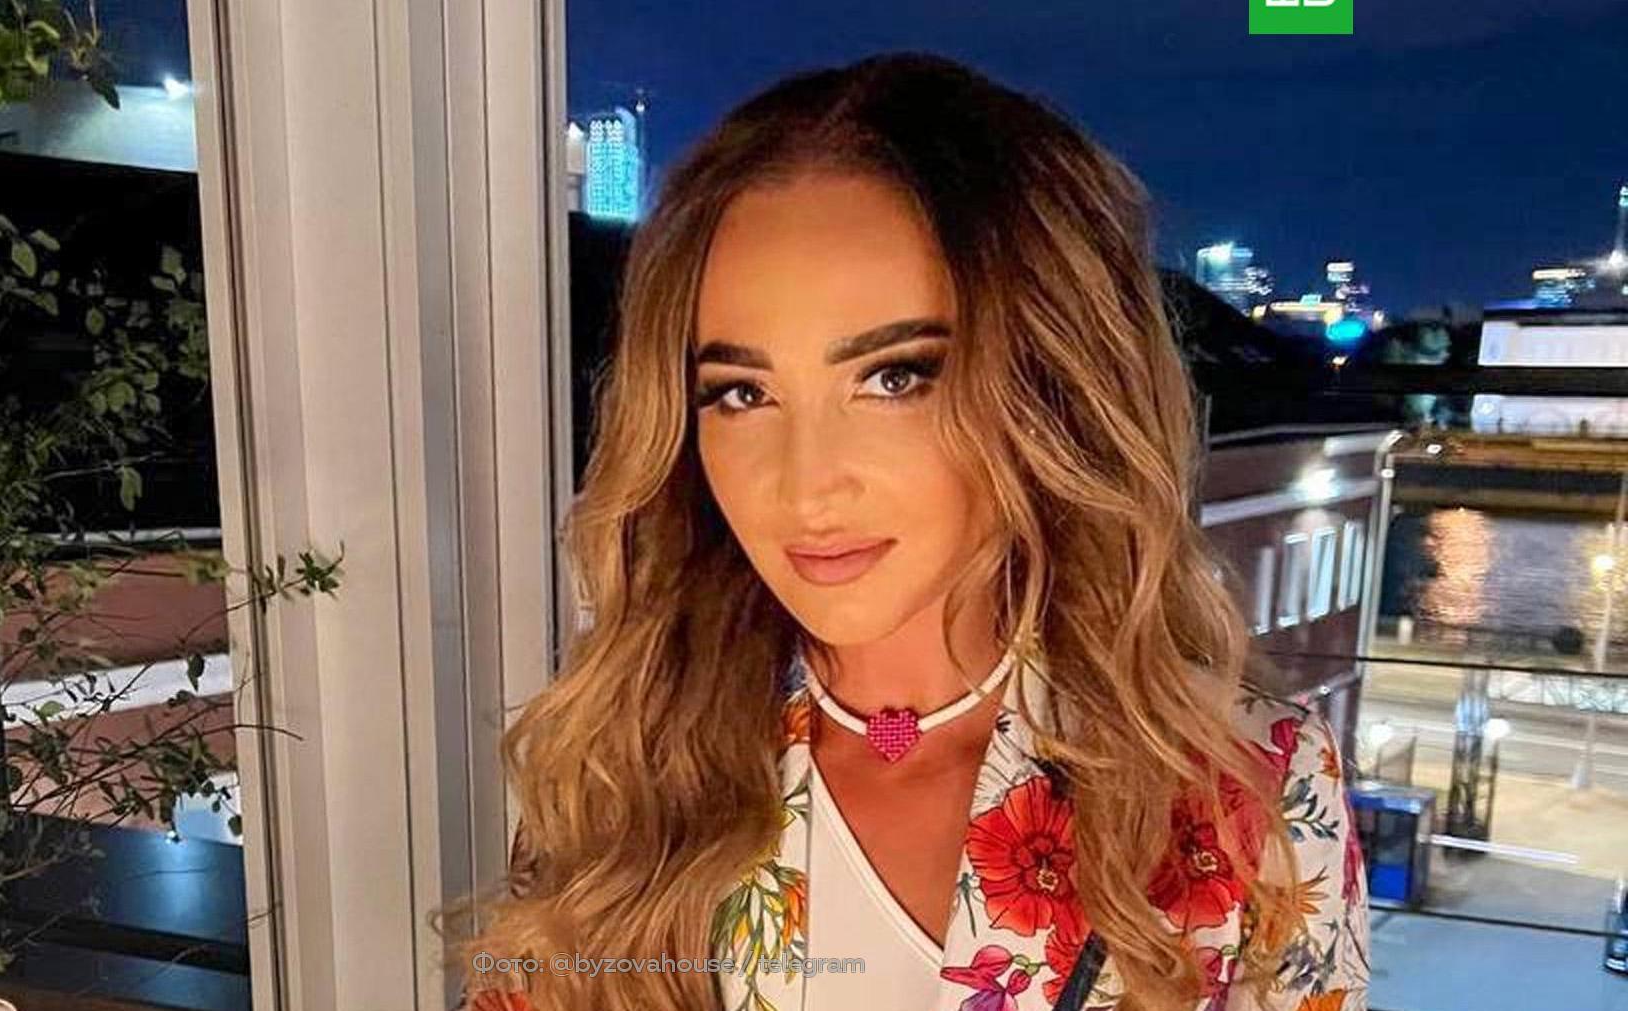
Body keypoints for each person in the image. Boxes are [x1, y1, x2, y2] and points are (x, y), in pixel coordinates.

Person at [439, 51, 1370, 1011]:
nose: (805, 484)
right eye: (742, 392)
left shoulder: (1250, 789)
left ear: (1050, 385)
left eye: (894, 377)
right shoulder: (628, 762)